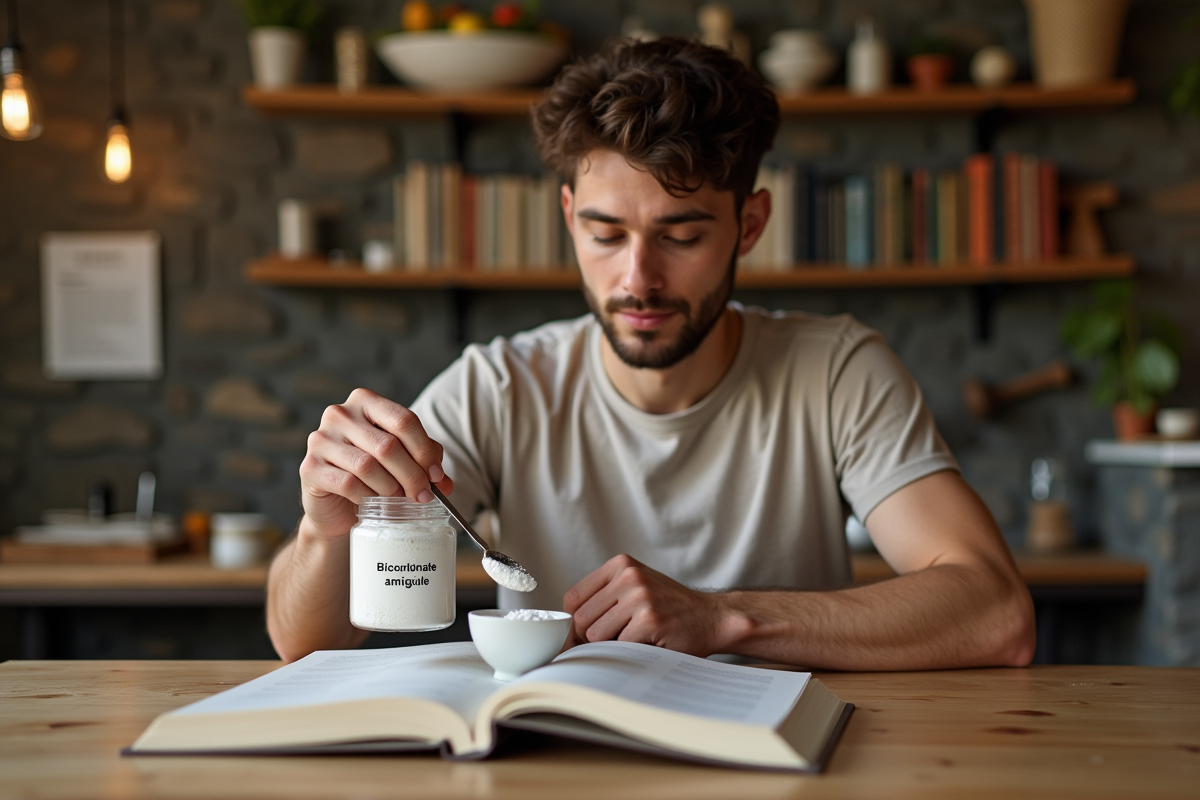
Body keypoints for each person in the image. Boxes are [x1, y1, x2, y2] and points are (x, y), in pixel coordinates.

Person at [267, 37, 1036, 670]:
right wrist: (324, 531)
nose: (637, 279)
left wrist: (724, 617)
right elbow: (305, 642)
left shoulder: (836, 371)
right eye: (606, 235)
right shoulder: (498, 387)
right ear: (569, 218)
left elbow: (995, 612)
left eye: (682, 235)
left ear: (750, 225)